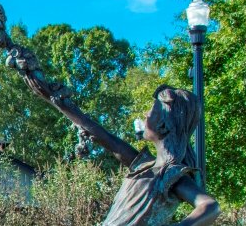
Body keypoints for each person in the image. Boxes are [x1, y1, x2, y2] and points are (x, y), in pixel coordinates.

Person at [68, 84, 220, 225]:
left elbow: (210, 206)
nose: (146, 115)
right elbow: (103, 136)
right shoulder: (143, 164)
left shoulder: (172, 175)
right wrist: (55, 98)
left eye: (152, 110)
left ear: (163, 124)